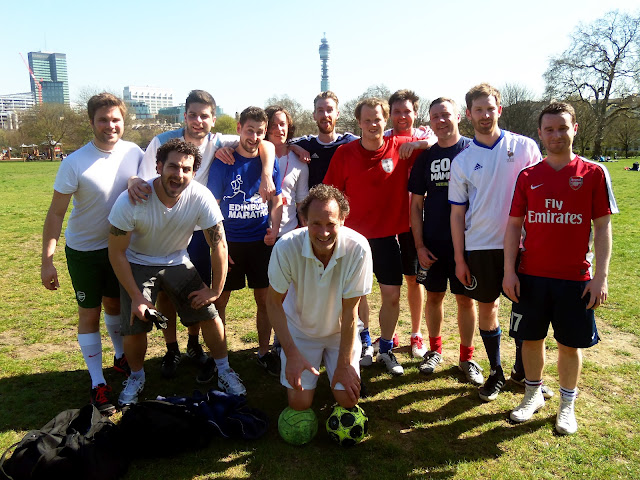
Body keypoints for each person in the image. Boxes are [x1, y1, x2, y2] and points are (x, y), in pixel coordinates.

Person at [128, 90, 275, 380]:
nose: (198, 121)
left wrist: (267, 172)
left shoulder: (219, 141)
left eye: (204, 116)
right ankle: (171, 349)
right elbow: (144, 179)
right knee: (166, 295)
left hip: (198, 231)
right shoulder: (162, 141)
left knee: (197, 290)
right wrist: (133, 180)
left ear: (213, 119)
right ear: (184, 116)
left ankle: (194, 345)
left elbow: (264, 143)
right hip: (166, 228)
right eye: (193, 115)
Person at [504, 102, 617, 434]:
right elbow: (513, 226)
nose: (556, 135)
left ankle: (567, 405)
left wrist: (601, 277)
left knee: (570, 344)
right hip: (531, 276)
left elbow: (603, 227)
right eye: (549, 129)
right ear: (540, 133)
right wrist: (509, 271)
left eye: (563, 128)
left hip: (575, 278)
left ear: (575, 129)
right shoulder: (528, 176)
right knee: (530, 340)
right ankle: (533, 395)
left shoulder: (593, 173)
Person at [108, 139, 246, 406]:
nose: (179, 174)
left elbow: (219, 244)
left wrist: (215, 290)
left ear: (194, 172)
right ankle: (136, 376)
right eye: (173, 166)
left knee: (209, 313)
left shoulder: (201, 196)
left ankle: (224, 369)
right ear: (159, 167)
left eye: (186, 169)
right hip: (137, 262)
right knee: (135, 324)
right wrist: (136, 297)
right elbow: (116, 253)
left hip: (177, 261)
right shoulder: (131, 200)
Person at [41, 93, 143, 415]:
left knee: (115, 305)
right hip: (84, 251)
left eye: (115, 119)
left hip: (120, 249)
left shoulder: (135, 153)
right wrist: (47, 260)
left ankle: (119, 357)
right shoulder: (74, 162)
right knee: (90, 312)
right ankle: (98, 382)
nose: (110, 125)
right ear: (91, 122)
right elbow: (56, 213)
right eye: (103, 120)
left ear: (123, 121)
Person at [448, 83, 542, 402]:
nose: (485, 115)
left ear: (499, 110)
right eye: (479, 110)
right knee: (488, 309)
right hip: (480, 247)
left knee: (524, 310)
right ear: (469, 114)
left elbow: (540, 195)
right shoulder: (462, 160)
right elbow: (457, 214)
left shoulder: (525, 147)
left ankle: (523, 371)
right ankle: (496, 371)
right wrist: (459, 259)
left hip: (523, 245)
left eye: (490, 108)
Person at [324, 97, 428, 376]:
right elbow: (330, 194)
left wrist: (418, 144)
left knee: (391, 296)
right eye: (367, 120)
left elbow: (439, 142)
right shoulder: (344, 153)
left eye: (377, 119)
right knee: (356, 296)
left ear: (386, 120)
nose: (373, 124)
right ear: (359, 122)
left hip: (387, 237)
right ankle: (365, 341)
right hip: (353, 239)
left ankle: (387, 347)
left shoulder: (400, 146)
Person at [266, 184, 373, 411]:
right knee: (299, 404)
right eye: (316, 223)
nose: (324, 233)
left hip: (340, 333)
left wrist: (344, 364)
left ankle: (336, 368)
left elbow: (351, 311)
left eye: (330, 224)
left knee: (348, 400)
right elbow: (273, 303)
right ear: (304, 220)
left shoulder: (358, 248)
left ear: (342, 220)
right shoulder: (286, 247)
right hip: (300, 332)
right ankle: (296, 361)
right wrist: (291, 353)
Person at [408, 97, 482, 385]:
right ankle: (435, 351)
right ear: (430, 121)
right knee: (434, 297)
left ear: (459, 116)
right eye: (435, 116)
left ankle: (467, 358)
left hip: (468, 243)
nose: (441, 120)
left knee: (465, 299)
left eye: (446, 114)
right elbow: (415, 205)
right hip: (433, 243)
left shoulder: (473, 150)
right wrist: (419, 245)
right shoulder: (425, 158)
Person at [208, 107, 283, 377]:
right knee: (220, 301)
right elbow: (212, 207)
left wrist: (274, 228)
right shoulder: (224, 160)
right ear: (239, 128)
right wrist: (219, 245)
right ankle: (219, 358)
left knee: (265, 300)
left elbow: (277, 200)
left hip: (260, 242)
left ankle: (263, 352)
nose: (254, 137)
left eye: (260, 132)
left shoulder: (268, 161)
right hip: (231, 244)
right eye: (249, 130)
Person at [383, 89, 434, 358]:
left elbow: (439, 139)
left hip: (414, 221)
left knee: (413, 279)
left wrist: (416, 145)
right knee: (388, 283)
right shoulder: (382, 138)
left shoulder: (424, 135)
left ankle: (416, 333)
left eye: (407, 111)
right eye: (397, 111)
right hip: (386, 220)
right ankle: (389, 333)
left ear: (416, 113)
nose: (402, 116)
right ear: (389, 114)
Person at [290, 91, 358, 189]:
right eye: (320, 110)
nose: (325, 115)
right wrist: (294, 147)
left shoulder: (350, 142)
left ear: (337, 114)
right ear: (314, 115)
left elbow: (375, 142)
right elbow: (279, 145)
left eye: (329, 110)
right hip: (312, 199)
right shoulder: (306, 144)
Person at [265, 105, 309, 238]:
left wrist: (306, 232)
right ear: (266, 129)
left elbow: (301, 202)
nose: (279, 129)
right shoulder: (255, 158)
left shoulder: (299, 162)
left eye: (282, 124)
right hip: (260, 234)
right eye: (273, 125)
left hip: (290, 234)